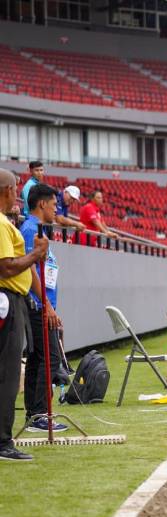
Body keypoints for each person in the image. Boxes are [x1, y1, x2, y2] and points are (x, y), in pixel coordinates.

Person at [0, 168, 49, 461]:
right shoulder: (0, 224)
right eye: (15, 188)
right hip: (8, 298)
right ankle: (3, 442)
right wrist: (35, 255)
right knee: (7, 374)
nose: (17, 194)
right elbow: (6, 267)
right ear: (7, 190)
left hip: (10, 299)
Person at [21, 184, 68, 433]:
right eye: (53, 204)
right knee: (49, 358)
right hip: (37, 306)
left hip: (43, 305)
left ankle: (34, 415)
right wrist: (47, 306)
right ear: (41, 204)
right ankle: (39, 415)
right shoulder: (31, 229)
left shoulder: (38, 229)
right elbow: (29, 270)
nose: (56, 208)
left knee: (39, 358)